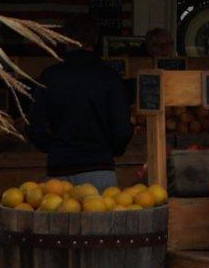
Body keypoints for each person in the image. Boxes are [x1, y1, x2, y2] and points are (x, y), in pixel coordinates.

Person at [26, 14, 134, 190]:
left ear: (64, 39)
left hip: (59, 172)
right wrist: (107, 150)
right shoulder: (109, 77)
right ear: (97, 39)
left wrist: (56, 147)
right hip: (99, 167)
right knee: (102, 217)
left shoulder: (50, 76)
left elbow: (34, 128)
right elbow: (122, 130)